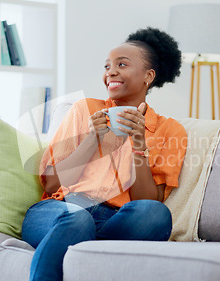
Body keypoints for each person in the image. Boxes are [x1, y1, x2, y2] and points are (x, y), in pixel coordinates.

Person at [21, 27, 188, 281]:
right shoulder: (85, 109)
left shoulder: (170, 130)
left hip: (117, 219)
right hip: (62, 209)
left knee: (156, 215)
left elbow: (148, 201)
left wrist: (139, 145)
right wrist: (92, 139)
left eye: (122, 64)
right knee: (78, 220)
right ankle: (85, 240)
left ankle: (84, 244)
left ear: (148, 76)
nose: (110, 71)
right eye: (107, 65)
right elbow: (52, 183)